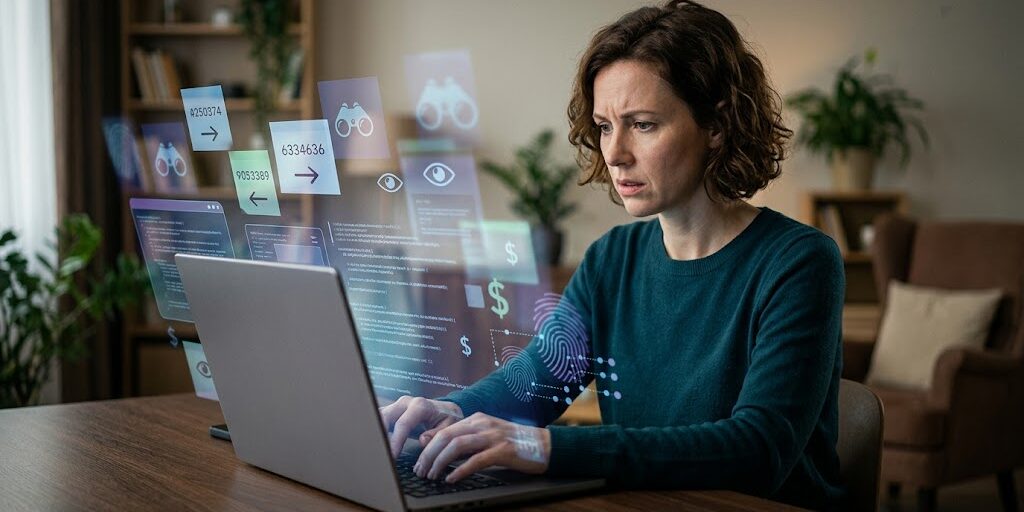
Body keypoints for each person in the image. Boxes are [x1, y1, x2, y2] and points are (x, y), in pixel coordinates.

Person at [380, 0, 846, 508]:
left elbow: (759, 451)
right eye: (605, 126)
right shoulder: (611, 258)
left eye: (642, 124)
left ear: (716, 126)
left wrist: (547, 448)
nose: (615, 153)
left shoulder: (799, 262)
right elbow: (539, 379)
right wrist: (451, 410)